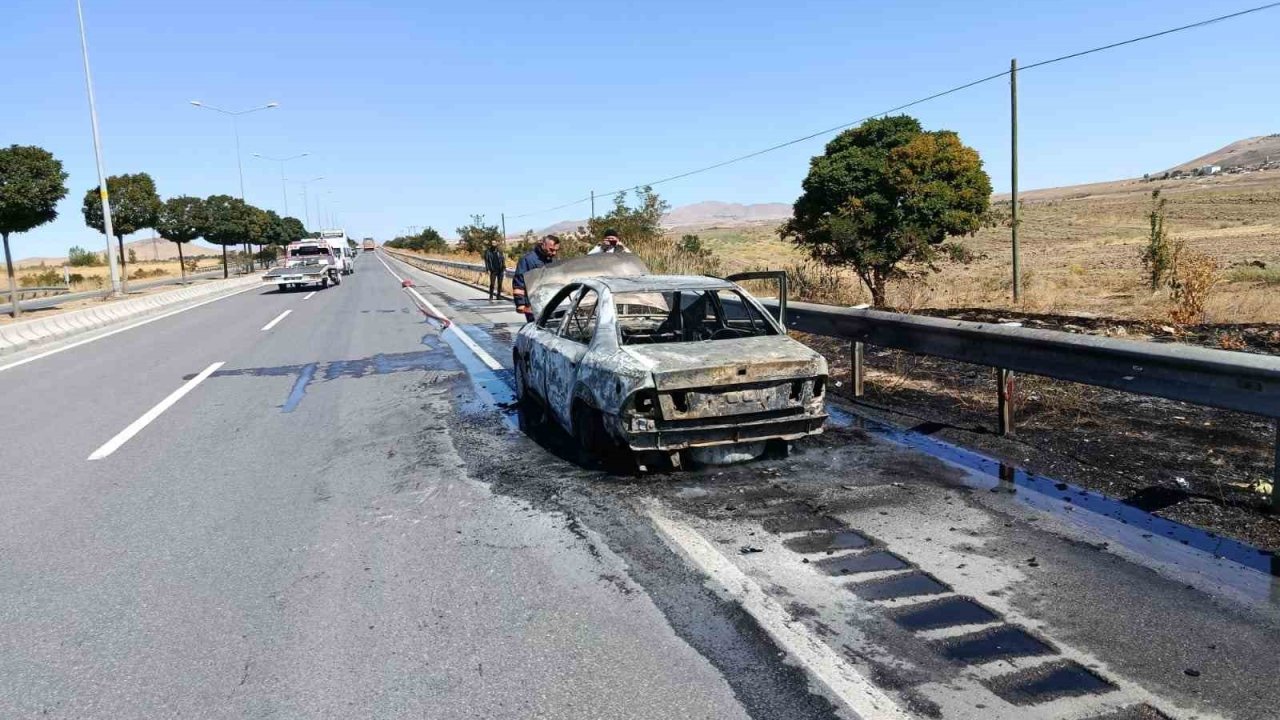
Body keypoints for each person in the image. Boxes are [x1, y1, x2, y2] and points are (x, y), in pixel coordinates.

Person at [513, 234, 560, 322]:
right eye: (552, 250)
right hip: (533, 305)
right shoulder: (527, 260)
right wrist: (520, 304)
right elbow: (519, 283)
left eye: (556, 250)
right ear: (543, 245)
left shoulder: (553, 260)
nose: (554, 253)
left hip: (551, 303)